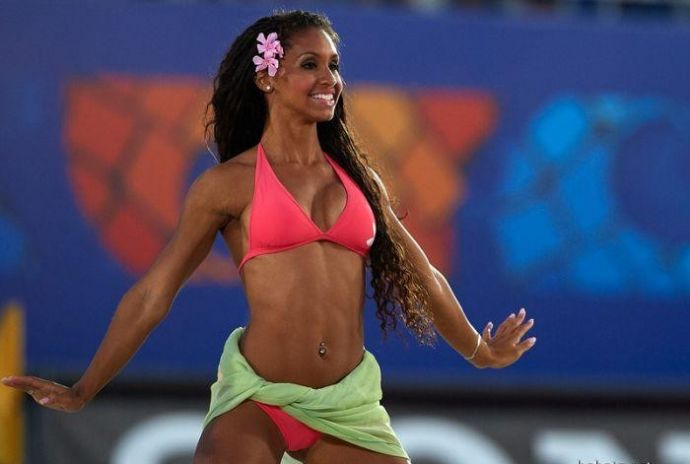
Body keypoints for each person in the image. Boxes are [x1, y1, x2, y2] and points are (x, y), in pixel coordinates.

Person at [1, 10, 536, 464]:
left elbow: (423, 274)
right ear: (267, 78)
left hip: (347, 404)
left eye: (334, 65)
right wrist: (84, 388)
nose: (329, 78)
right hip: (258, 400)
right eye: (310, 64)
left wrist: (478, 350)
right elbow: (153, 294)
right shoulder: (227, 185)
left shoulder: (360, 181)